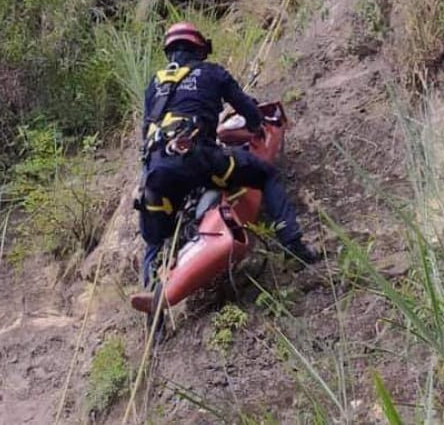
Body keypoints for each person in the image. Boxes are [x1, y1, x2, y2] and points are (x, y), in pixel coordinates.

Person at [134, 21, 319, 287]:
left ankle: (153, 304)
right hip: (198, 161)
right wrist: (256, 127)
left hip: (156, 172)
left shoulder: (154, 85)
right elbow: (250, 112)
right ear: (199, 49)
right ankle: (293, 247)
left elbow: (146, 132)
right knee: (266, 175)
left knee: (154, 239)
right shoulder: (212, 73)